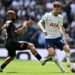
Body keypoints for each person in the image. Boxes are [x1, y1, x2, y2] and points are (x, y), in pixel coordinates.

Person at [38, 1, 73, 72]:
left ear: (60, 9)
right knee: (52, 54)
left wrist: (66, 36)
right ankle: (62, 69)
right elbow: (39, 23)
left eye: (59, 9)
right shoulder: (47, 15)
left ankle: (68, 63)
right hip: (49, 38)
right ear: (53, 8)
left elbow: (61, 28)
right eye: (56, 9)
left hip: (58, 37)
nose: (58, 10)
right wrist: (43, 30)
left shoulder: (60, 17)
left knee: (67, 49)